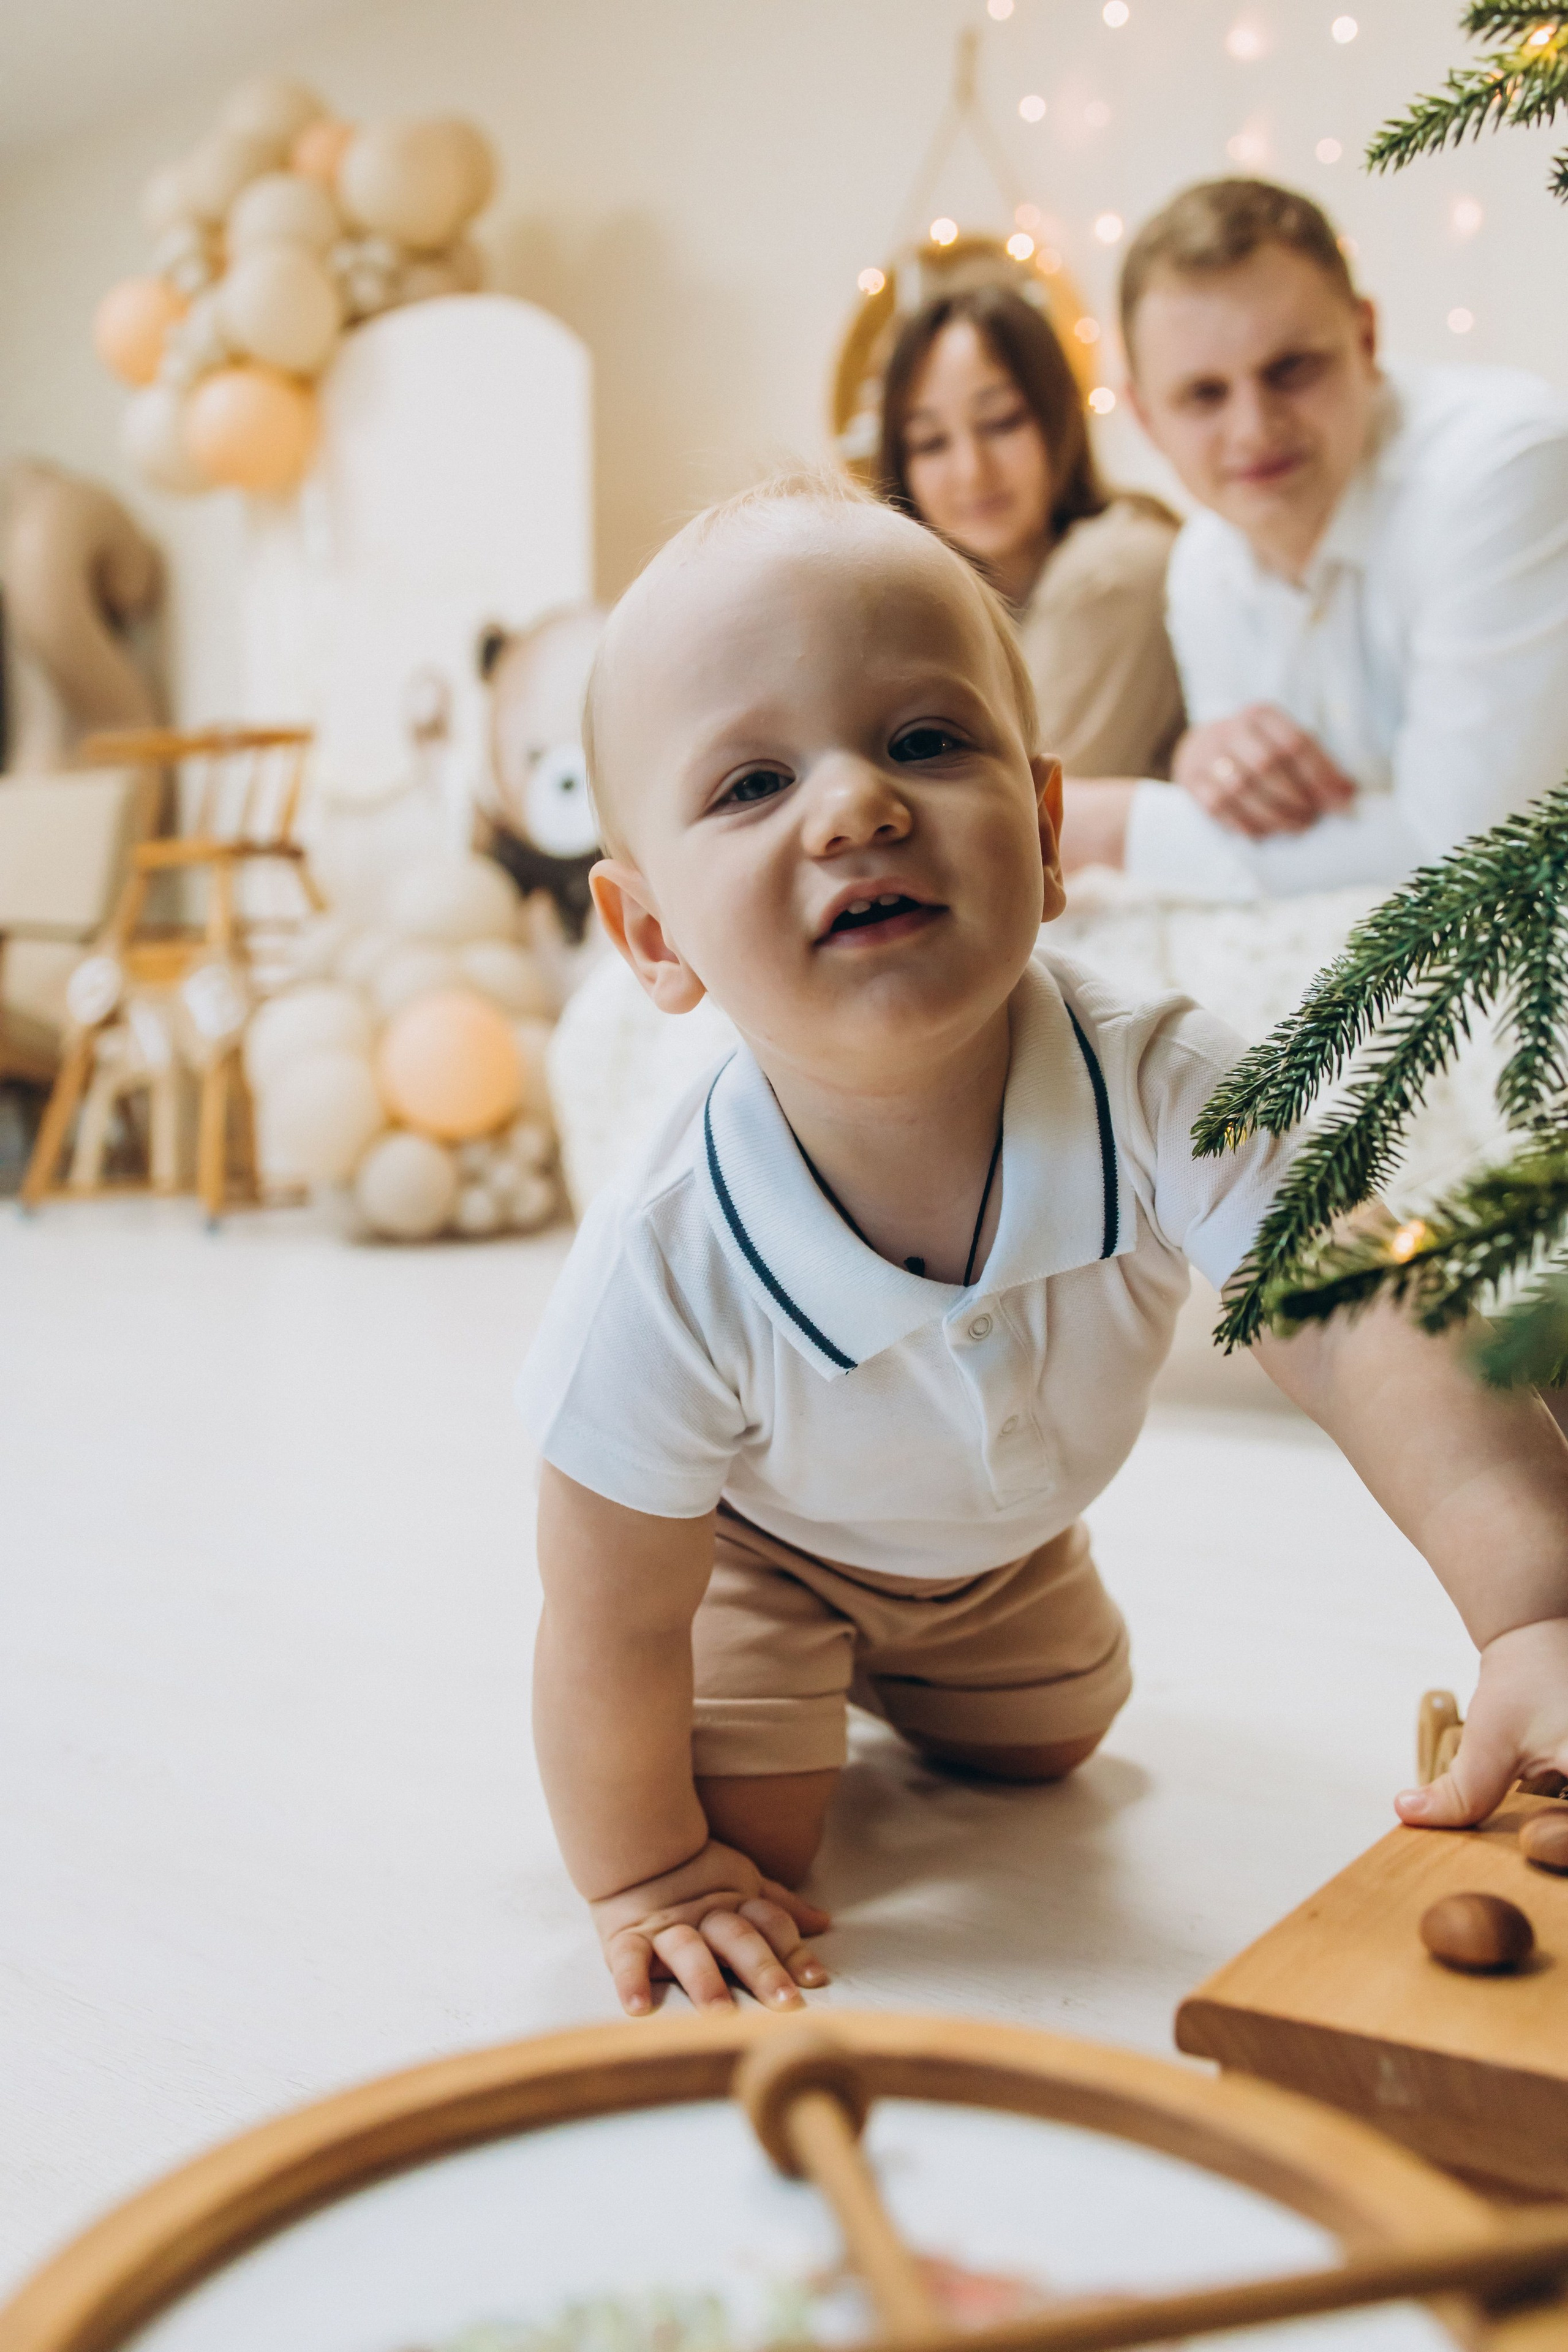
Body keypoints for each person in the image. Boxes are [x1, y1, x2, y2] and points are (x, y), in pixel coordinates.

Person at [518, 472, 1568, 2016]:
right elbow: (605, 1611)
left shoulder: (1164, 1084)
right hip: (752, 1550)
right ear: (653, 937)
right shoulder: (666, 1251)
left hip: (998, 1549)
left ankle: (936, 1648)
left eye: (925, 742)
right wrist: (640, 1869)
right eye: (750, 784)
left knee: (1051, 1742)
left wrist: (1530, 1607)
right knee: (755, 1840)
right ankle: (791, 1691)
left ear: (1048, 823)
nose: (857, 806)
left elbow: (1368, 1325)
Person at [1061, 178, 1568, 897]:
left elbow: (1469, 851)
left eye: (1290, 369)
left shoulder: (1504, 473)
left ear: (1365, 341)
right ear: (1146, 419)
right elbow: (1267, 839)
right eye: (1204, 395)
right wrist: (1206, 765)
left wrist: (1114, 827)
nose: (1253, 430)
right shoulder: (1201, 565)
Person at [880, 282, 1184, 781]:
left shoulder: (1116, 568)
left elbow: (1022, 818)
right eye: (931, 442)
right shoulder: (933, 614)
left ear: (1057, 416)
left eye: (1001, 422)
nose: (972, 470)